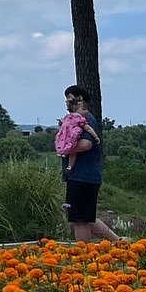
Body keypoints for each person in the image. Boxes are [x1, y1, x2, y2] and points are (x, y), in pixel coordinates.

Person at [59, 85, 120, 242]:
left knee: (79, 220)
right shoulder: (82, 118)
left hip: (82, 176)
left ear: (80, 100)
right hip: (84, 176)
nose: (67, 102)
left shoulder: (84, 119)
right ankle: (120, 243)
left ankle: (83, 255)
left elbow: (87, 144)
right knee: (87, 217)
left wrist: (66, 149)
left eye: (70, 98)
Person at [54, 108, 99, 173]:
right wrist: (95, 136)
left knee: (71, 151)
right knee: (72, 151)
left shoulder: (67, 118)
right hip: (72, 138)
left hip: (65, 137)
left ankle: (63, 154)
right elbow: (88, 128)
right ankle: (69, 165)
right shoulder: (79, 118)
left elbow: (61, 129)